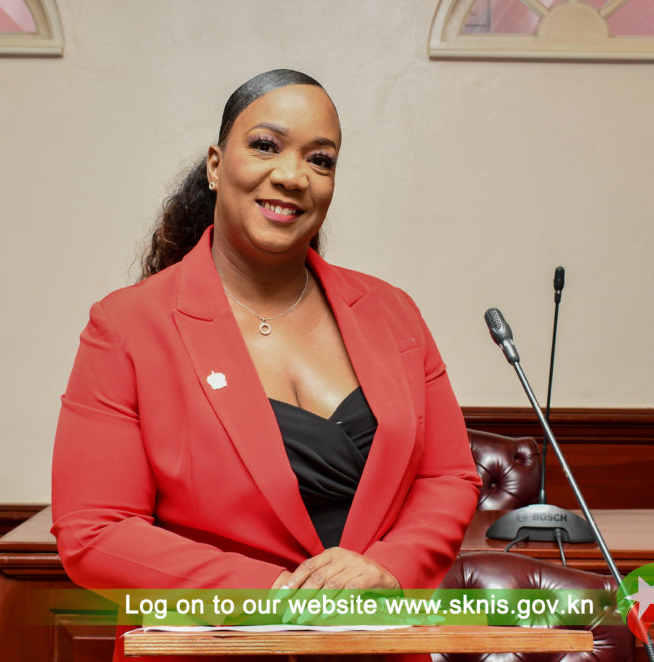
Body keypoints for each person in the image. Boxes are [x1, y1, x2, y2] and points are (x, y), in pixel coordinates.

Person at [51, 69, 482, 659]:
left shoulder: (393, 312)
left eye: (320, 160)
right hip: (215, 647)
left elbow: (447, 476)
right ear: (215, 165)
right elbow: (94, 532)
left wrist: (391, 569)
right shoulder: (127, 326)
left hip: (377, 645)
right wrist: (272, 597)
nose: (292, 176)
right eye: (265, 145)